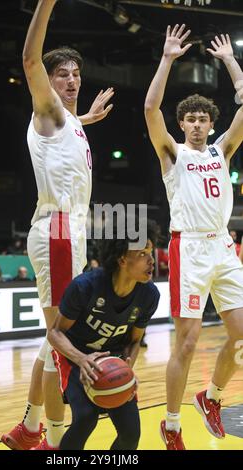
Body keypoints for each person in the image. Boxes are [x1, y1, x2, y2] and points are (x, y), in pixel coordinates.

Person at [1, 0, 114, 451]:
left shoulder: (67, 121)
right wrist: (47, 3)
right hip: (59, 230)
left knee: (54, 340)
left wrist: (86, 117)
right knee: (62, 342)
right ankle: (58, 443)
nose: (71, 80)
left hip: (68, 233)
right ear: (47, 82)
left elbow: (67, 127)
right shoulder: (47, 109)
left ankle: (29, 429)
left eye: (75, 74)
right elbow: (30, 58)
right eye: (62, 74)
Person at [144, 26, 243, 450]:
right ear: (182, 123)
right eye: (191, 119)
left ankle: (211, 398)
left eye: (204, 119)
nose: (198, 124)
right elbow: (150, 108)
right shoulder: (174, 154)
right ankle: (171, 423)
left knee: (240, 334)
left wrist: (232, 64)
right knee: (187, 341)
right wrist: (167, 58)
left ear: (210, 123)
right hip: (189, 246)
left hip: (222, 245)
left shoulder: (222, 150)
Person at [48, 221, 160, 450]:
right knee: (86, 418)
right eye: (142, 254)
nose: (152, 260)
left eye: (151, 252)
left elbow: (134, 340)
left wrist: (128, 365)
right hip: (75, 358)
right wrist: (81, 359)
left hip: (113, 361)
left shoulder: (149, 295)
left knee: (131, 434)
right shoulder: (85, 286)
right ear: (122, 260)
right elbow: (55, 333)